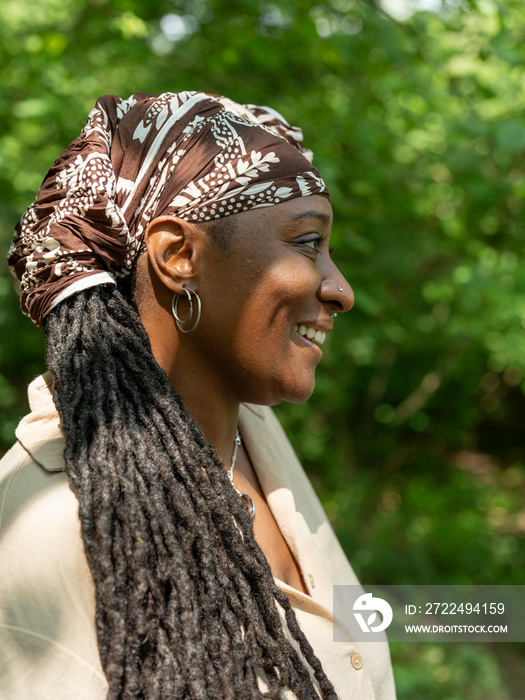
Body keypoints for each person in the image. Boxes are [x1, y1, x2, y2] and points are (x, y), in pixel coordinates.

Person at [0, 92, 396, 699]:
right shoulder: (49, 532)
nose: (340, 290)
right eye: (309, 244)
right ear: (179, 256)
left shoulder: (254, 439)